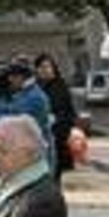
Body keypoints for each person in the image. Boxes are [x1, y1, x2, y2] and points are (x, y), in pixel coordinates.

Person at [0, 58, 55, 166]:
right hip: (22, 160)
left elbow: (12, 114)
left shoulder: (35, 97)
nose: (9, 80)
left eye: (12, 76)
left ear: (22, 77)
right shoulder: (19, 95)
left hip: (38, 161)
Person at [34, 53, 77, 184]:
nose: (44, 70)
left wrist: (57, 124)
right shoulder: (35, 88)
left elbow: (69, 113)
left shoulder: (60, 86)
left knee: (53, 177)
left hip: (56, 137)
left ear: (53, 68)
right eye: (41, 67)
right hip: (36, 141)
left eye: (48, 66)